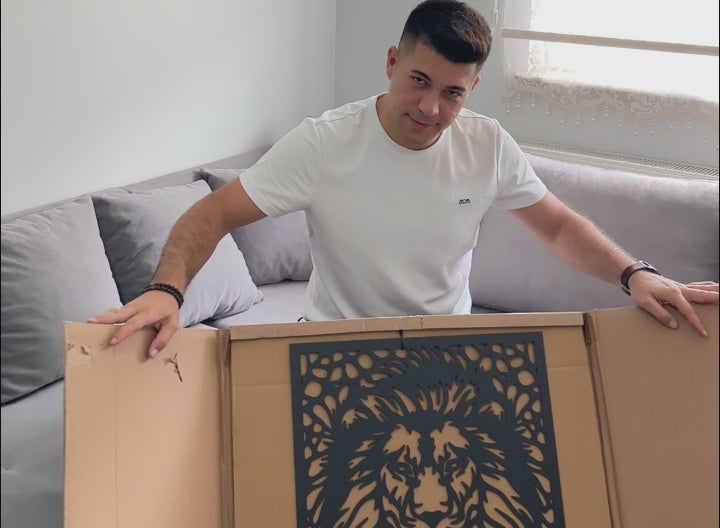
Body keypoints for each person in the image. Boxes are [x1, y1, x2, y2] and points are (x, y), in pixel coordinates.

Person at [90, 0, 718, 357]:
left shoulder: (486, 144)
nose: (431, 108)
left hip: (446, 352)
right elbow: (213, 213)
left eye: (453, 93)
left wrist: (636, 274)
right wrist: (168, 292)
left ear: (472, 89)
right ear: (393, 62)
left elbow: (555, 225)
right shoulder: (324, 142)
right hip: (332, 349)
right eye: (419, 80)